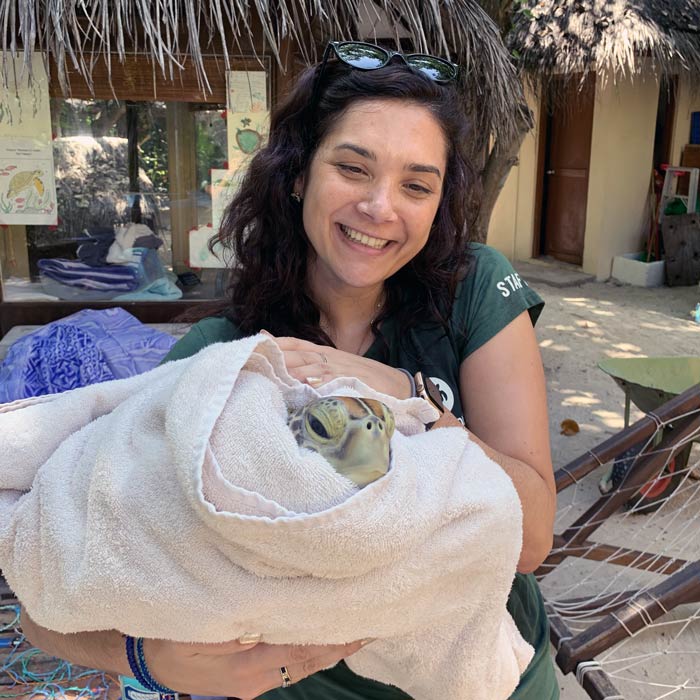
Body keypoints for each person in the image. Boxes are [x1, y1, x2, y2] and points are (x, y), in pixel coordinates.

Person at [21, 41, 558, 699]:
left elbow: (531, 540)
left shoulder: (472, 292)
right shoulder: (229, 359)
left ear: (439, 202)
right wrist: (151, 659)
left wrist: (402, 397)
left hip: (484, 675)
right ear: (299, 172)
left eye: (417, 185)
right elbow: (47, 602)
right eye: (354, 169)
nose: (381, 207)